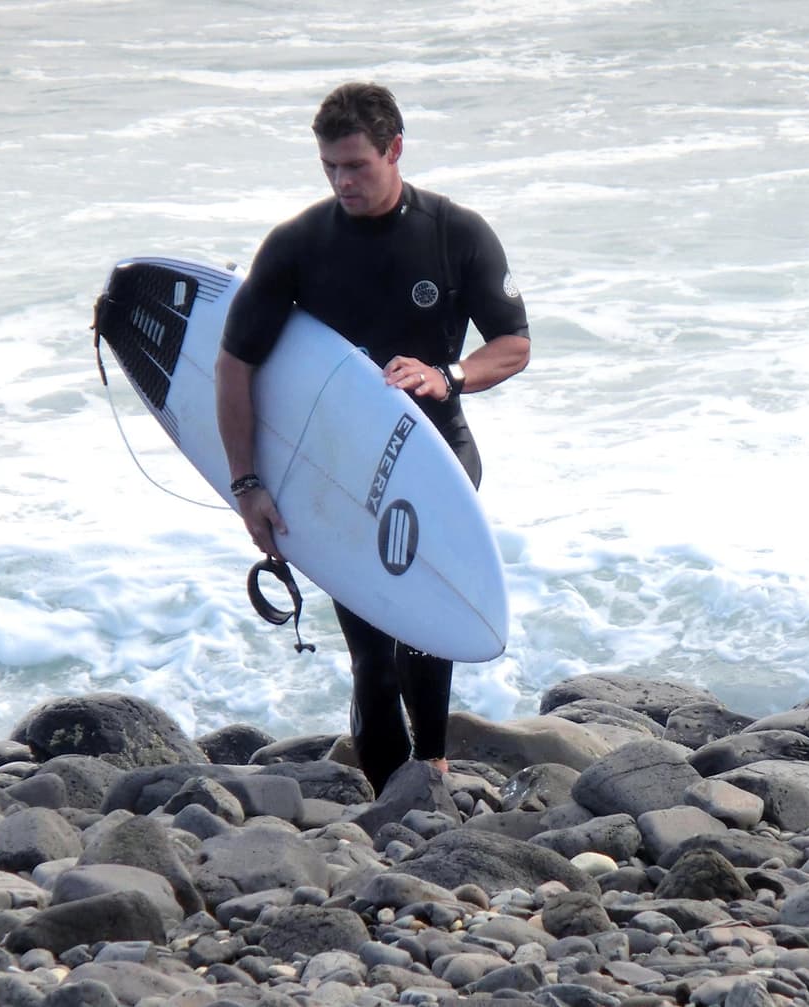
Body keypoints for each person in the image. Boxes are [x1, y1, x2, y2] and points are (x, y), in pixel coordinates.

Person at [215, 82, 530, 795]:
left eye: (356, 165)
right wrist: (247, 484)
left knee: (426, 625)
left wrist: (448, 374)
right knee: (370, 645)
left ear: (395, 150)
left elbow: (513, 344)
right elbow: (234, 363)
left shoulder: (456, 233)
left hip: (439, 456)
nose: (341, 181)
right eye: (329, 166)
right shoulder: (299, 245)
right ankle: (395, 797)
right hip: (337, 469)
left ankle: (436, 765)